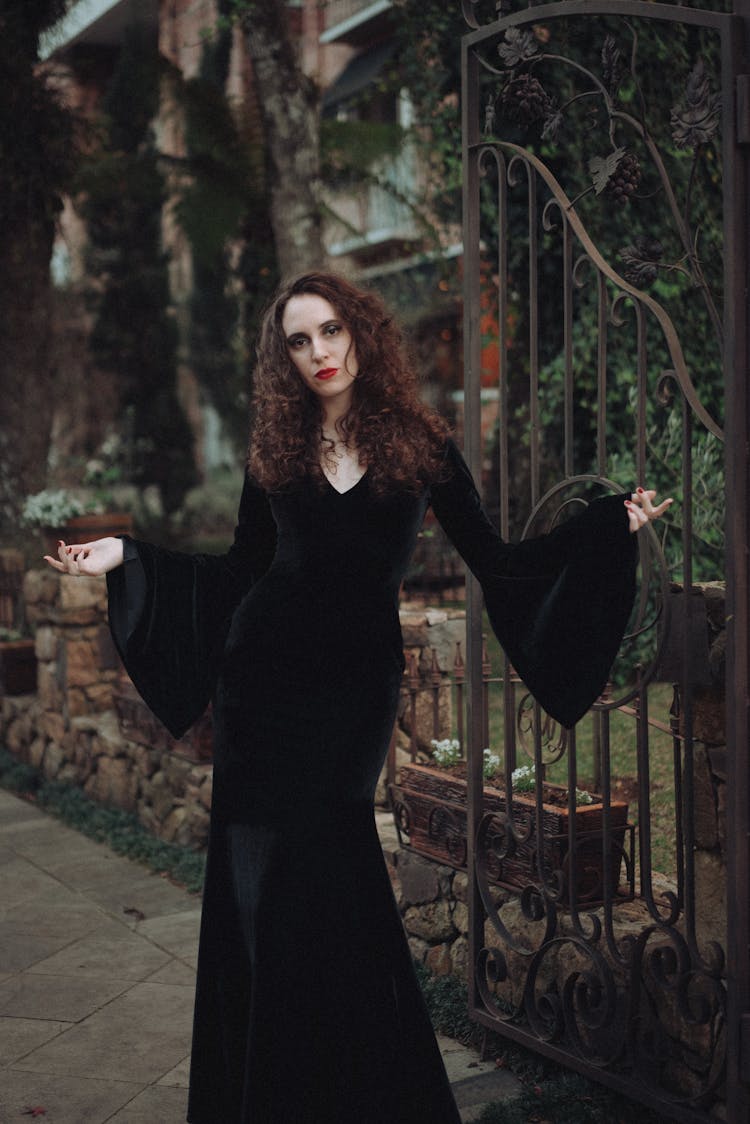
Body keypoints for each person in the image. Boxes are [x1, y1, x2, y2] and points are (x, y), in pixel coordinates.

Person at [45, 271, 671, 1123]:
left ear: (361, 333)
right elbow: (237, 573)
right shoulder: (277, 452)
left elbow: (501, 563)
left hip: (352, 695)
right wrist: (128, 555)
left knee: (331, 876)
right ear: (284, 357)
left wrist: (607, 527)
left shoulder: (420, 444)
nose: (319, 354)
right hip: (261, 685)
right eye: (299, 341)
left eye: (331, 331)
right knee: (260, 887)